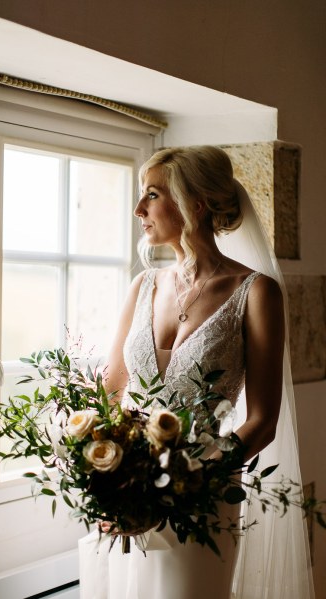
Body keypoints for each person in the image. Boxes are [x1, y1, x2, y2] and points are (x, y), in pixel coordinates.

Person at [78, 146, 314, 599]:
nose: (138, 210)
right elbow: (112, 389)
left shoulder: (255, 293)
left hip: (201, 504)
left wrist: (187, 481)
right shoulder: (143, 285)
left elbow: (262, 420)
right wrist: (107, 477)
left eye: (151, 195)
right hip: (128, 499)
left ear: (195, 204)